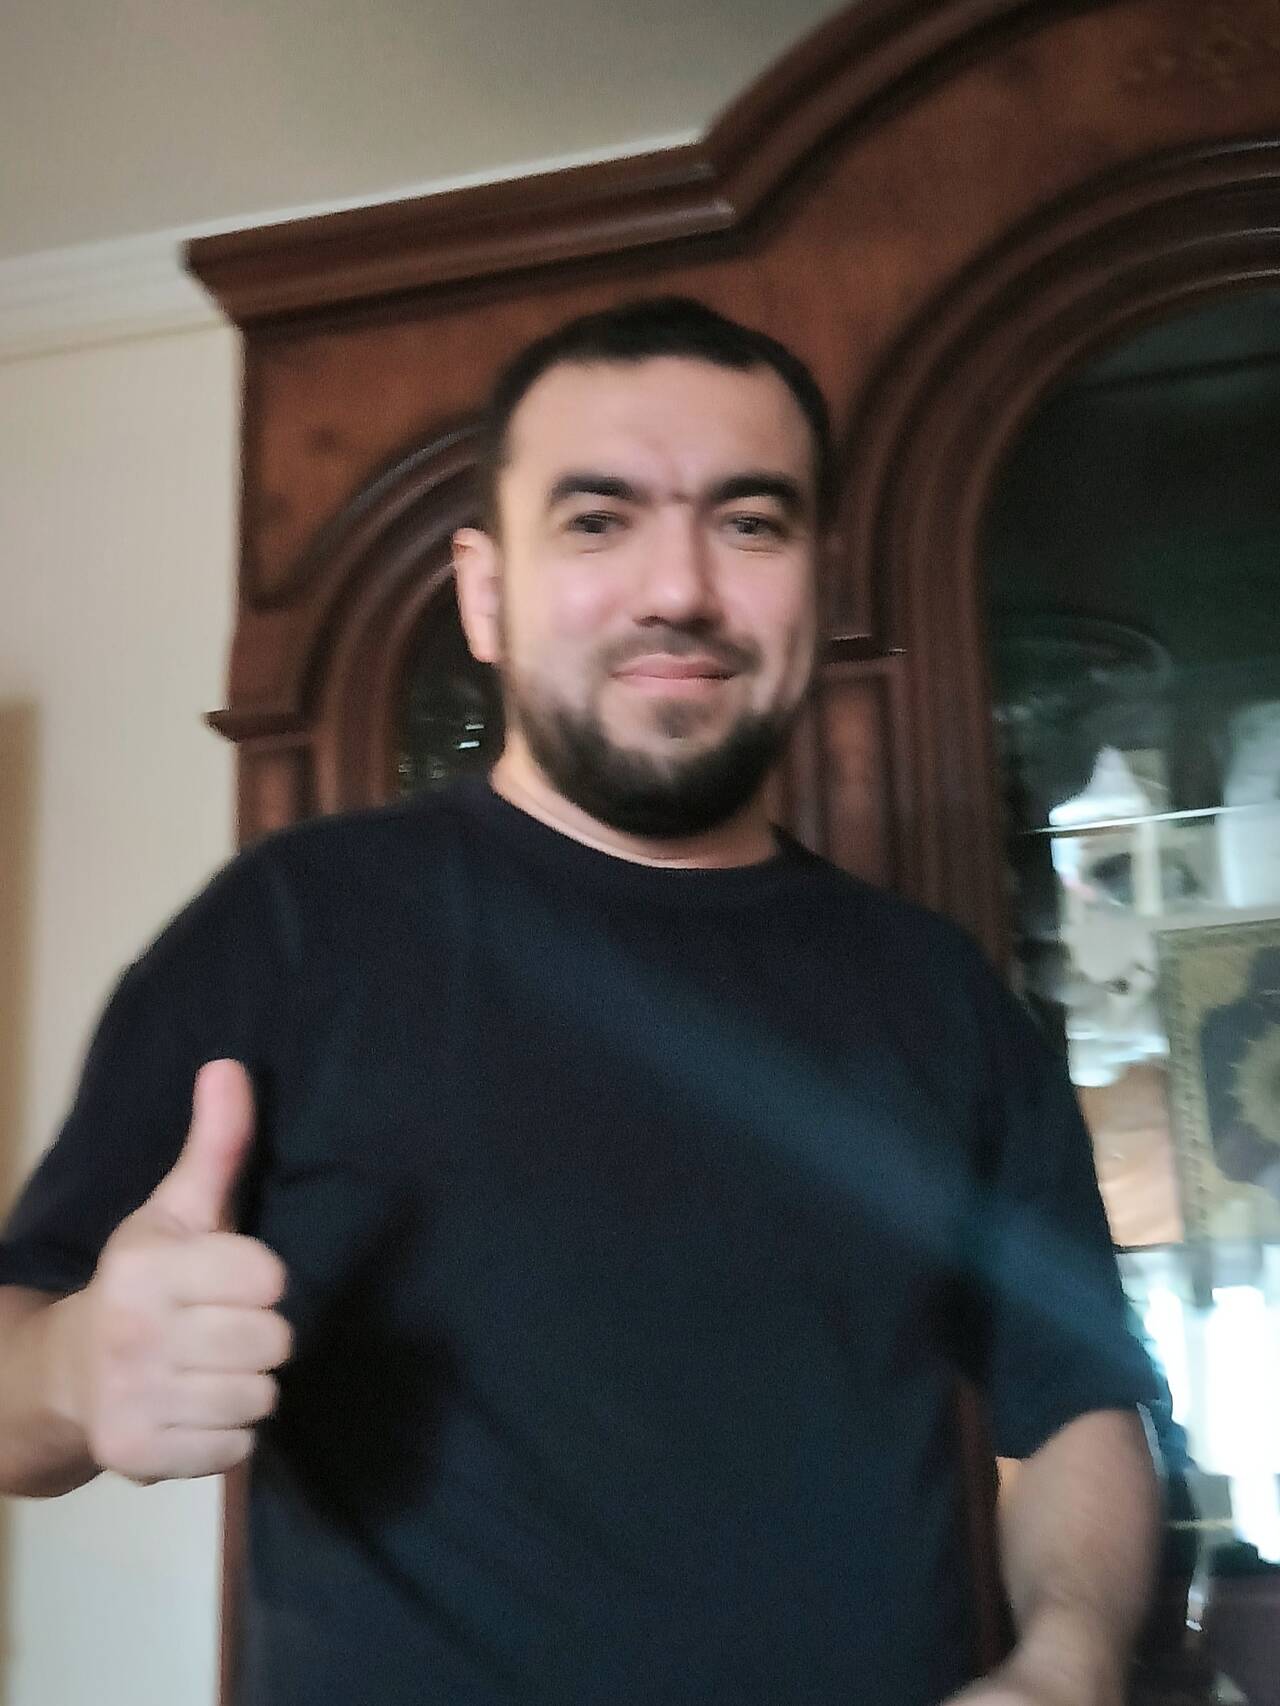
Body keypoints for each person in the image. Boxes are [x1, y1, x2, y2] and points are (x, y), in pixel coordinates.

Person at [0, 297, 1159, 1706]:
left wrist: (1068, 1660)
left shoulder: (940, 994)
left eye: (749, 522)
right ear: (484, 593)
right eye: (598, 520)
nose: (679, 588)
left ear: (819, 582)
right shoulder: (289, 928)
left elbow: (1079, 1405)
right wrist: (73, 1370)